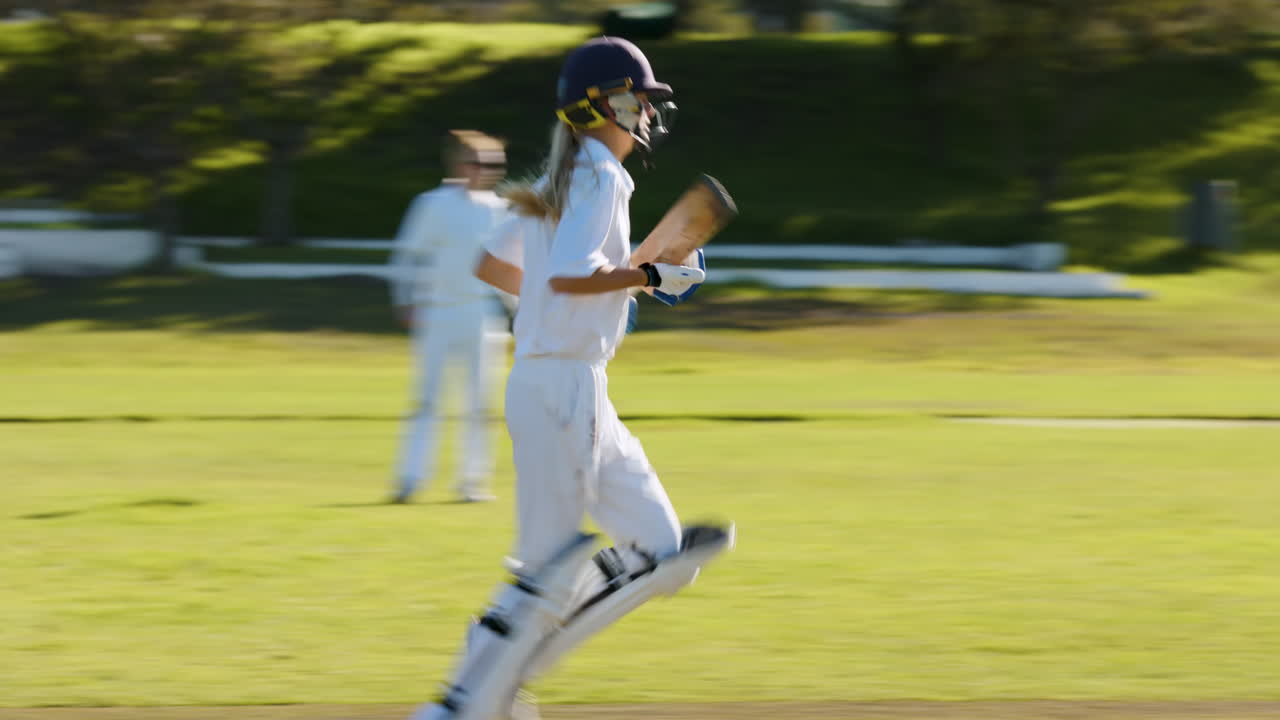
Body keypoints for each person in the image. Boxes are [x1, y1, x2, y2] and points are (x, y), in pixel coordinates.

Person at [410, 37, 734, 720]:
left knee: (662, 549)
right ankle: (463, 704)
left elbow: (495, 269)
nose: (647, 113)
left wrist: (608, 290)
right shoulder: (600, 176)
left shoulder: (556, 181)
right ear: (607, 103)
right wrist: (650, 275)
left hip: (569, 385)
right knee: (546, 572)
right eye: (639, 100)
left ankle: (499, 678)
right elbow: (570, 274)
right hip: (563, 388)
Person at [388, 130, 513, 504]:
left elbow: (507, 267)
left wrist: (519, 312)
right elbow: (408, 256)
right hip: (437, 312)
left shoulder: (500, 209)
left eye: (493, 164)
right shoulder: (431, 204)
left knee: (480, 401)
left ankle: (472, 481)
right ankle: (410, 479)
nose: (485, 171)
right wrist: (405, 300)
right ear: (459, 164)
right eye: (477, 162)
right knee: (427, 400)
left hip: (482, 314)